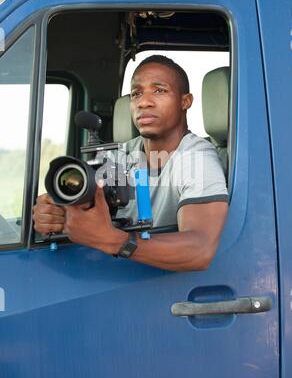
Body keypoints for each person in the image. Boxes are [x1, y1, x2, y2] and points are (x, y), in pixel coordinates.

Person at [33, 55, 228, 271]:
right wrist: (55, 215)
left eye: (159, 90)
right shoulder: (119, 156)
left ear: (185, 101)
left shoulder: (196, 158)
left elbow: (199, 250)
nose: (144, 102)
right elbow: (85, 207)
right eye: (136, 94)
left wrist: (114, 240)